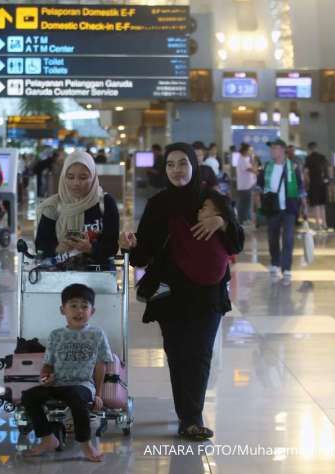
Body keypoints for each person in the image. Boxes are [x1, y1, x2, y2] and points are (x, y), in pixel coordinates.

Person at [119, 142, 244, 440]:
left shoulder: (214, 200)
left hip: (208, 292)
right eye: (171, 165)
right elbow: (143, 255)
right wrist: (130, 246)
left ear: (194, 165)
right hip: (170, 291)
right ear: (165, 169)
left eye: (183, 163)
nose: (177, 170)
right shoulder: (158, 204)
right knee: (177, 354)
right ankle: (186, 415)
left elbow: (237, 242)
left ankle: (192, 418)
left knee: (200, 354)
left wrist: (221, 222)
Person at [22, 283, 113, 462]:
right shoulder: (56, 335)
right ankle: (48, 439)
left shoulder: (97, 334)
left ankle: (85, 444)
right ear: (62, 310)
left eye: (84, 306)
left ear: (92, 311)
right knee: (29, 396)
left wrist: (99, 394)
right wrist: (45, 378)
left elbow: (102, 364)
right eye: (73, 306)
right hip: (58, 383)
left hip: (83, 385)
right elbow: (48, 364)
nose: (79, 311)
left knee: (76, 396)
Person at [35, 150, 119, 266]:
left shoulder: (105, 204)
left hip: (97, 275)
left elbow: (112, 246)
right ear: (63, 177)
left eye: (83, 177)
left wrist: (90, 248)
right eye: (70, 177)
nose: (76, 183)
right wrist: (57, 248)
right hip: (58, 275)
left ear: (93, 177)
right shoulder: (53, 206)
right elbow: (40, 245)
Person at [257, 139, 307, 282]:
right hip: (272, 208)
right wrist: (258, 206)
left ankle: (286, 268)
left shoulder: (293, 166)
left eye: (275, 148)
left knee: (288, 239)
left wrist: (305, 206)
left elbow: (301, 187)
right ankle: (275, 262)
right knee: (272, 237)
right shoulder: (267, 166)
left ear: (282, 150)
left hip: (289, 208)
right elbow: (259, 186)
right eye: (271, 148)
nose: (272, 151)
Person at [304, 142, 328, 230]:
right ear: (316, 148)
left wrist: (306, 183)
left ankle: (318, 224)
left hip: (313, 183)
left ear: (309, 149)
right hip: (323, 183)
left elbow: (306, 172)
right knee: (322, 205)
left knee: (315, 204)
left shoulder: (308, 158)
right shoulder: (322, 157)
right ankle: (325, 224)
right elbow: (326, 170)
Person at [235, 143, 258, 225]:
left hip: (248, 186)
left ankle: (244, 220)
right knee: (244, 205)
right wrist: (254, 159)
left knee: (246, 205)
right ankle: (242, 221)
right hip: (245, 187)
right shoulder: (242, 160)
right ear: (245, 151)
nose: (251, 152)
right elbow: (254, 170)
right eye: (250, 150)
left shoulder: (245, 159)